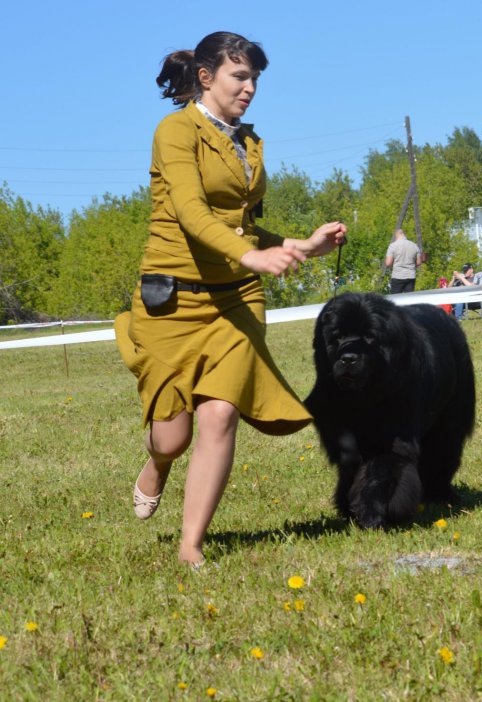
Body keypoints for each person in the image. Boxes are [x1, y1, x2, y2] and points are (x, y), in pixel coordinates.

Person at [113, 32, 347, 568]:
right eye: (240, 77)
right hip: (173, 299)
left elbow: (243, 227)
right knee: (172, 438)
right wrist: (250, 256)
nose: (250, 89)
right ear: (205, 76)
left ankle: (190, 546)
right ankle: (158, 463)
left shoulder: (249, 142)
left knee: (220, 414)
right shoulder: (175, 132)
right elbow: (193, 215)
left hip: (236, 298)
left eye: (256, 79)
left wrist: (299, 246)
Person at [385, 228, 421, 293]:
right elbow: (418, 262)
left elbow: (388, 263)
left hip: (397, 276)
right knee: (409, 299)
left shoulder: (393, 246)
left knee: (395, 299)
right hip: (410, 276)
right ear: (404, 235)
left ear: (396, 236)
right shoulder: (414, 246)